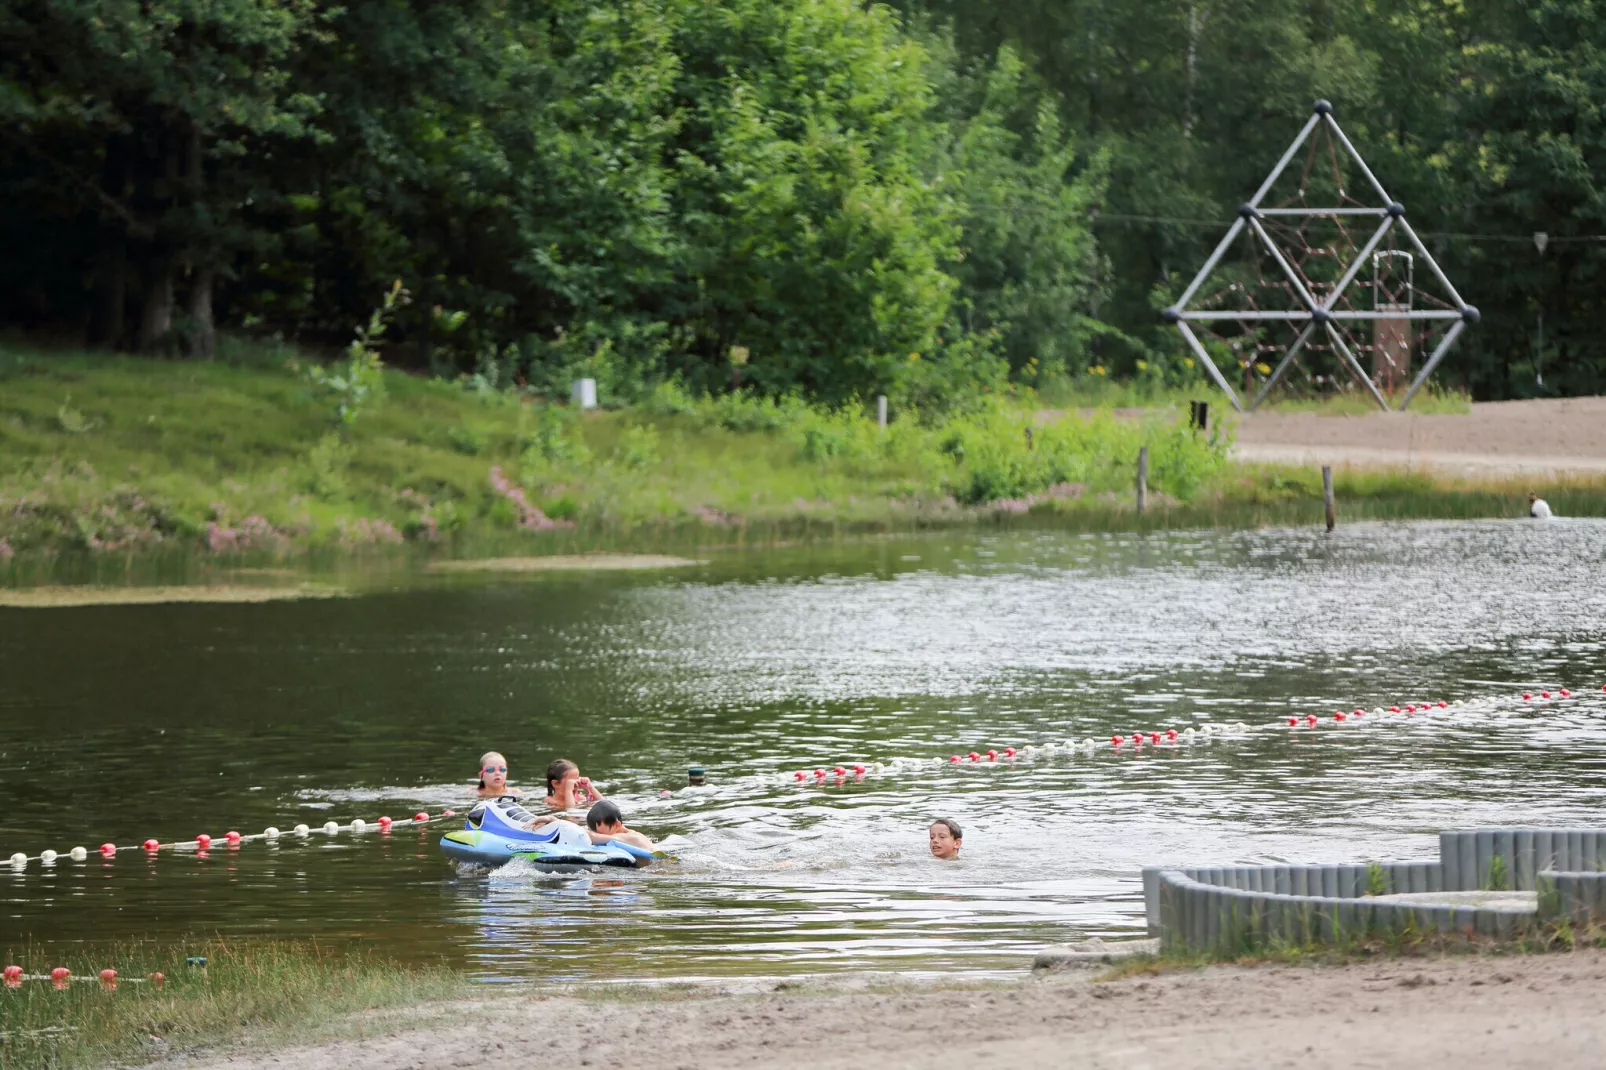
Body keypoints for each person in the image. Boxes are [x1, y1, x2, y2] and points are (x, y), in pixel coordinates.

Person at [585, 800, 655, 853]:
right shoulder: (620, 830)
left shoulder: (630, 837)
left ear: (617, 825)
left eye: (600, 833)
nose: (600, 835)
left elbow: (593, 837)